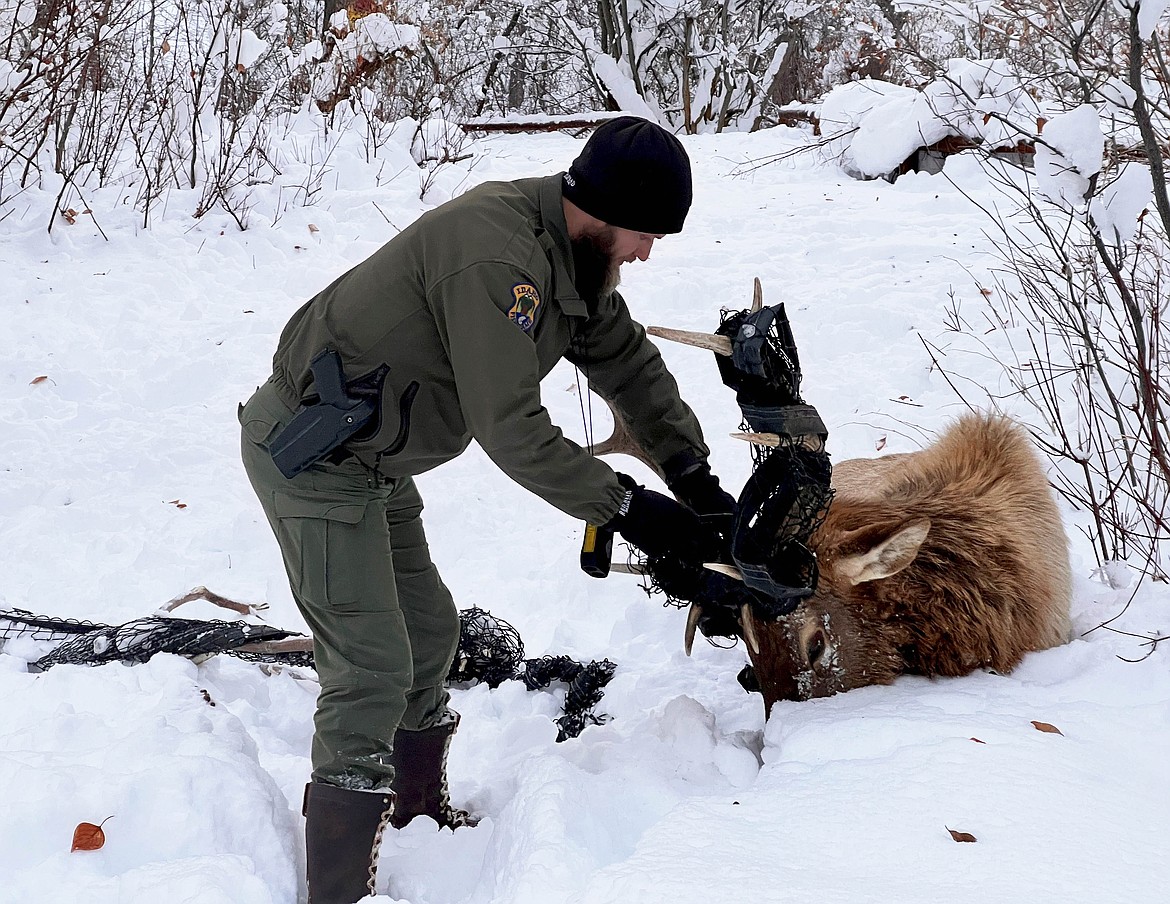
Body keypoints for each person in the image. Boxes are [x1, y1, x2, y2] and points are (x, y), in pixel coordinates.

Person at [238, 115, 736, 904]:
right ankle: (338, 890)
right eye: (645, 234)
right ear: (602, 210)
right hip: (314, 462)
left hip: (374, 466)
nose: (646, 253)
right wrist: (630, 510)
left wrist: (696, 477)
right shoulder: (497, 262)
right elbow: (511, 431)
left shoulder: (571, 262)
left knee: (430, 635)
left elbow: (630, 365)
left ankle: (414, 810)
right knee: (370, 665)